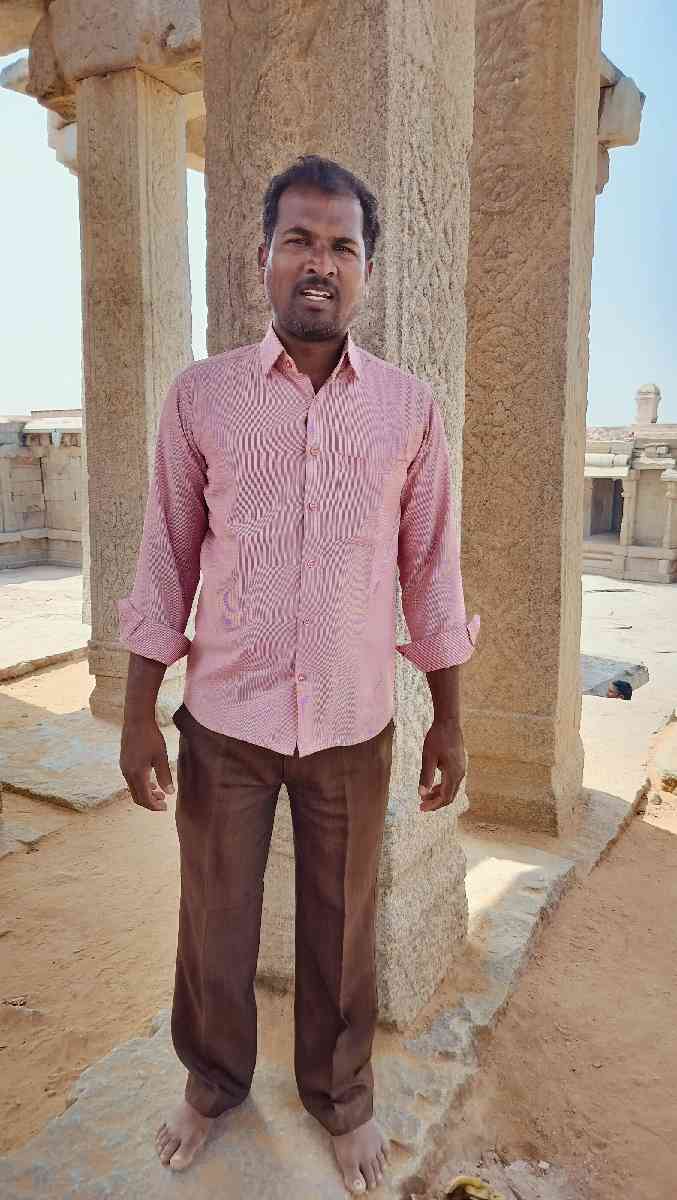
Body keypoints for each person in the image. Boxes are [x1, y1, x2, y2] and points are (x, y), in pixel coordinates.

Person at [118, 155, 479, 1194]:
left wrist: (447, 718)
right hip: (225, 721)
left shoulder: (408, 410)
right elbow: (165, 557)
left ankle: (340, 1096)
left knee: (342, 926)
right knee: (214, 920)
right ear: (262, 259)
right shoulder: (202, 399)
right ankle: (212, 1083)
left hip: (352, 723)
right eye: (299, 242)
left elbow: (430, 570)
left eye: (340, 247)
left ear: (365, 270)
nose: (319, 263)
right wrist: (139, 713)